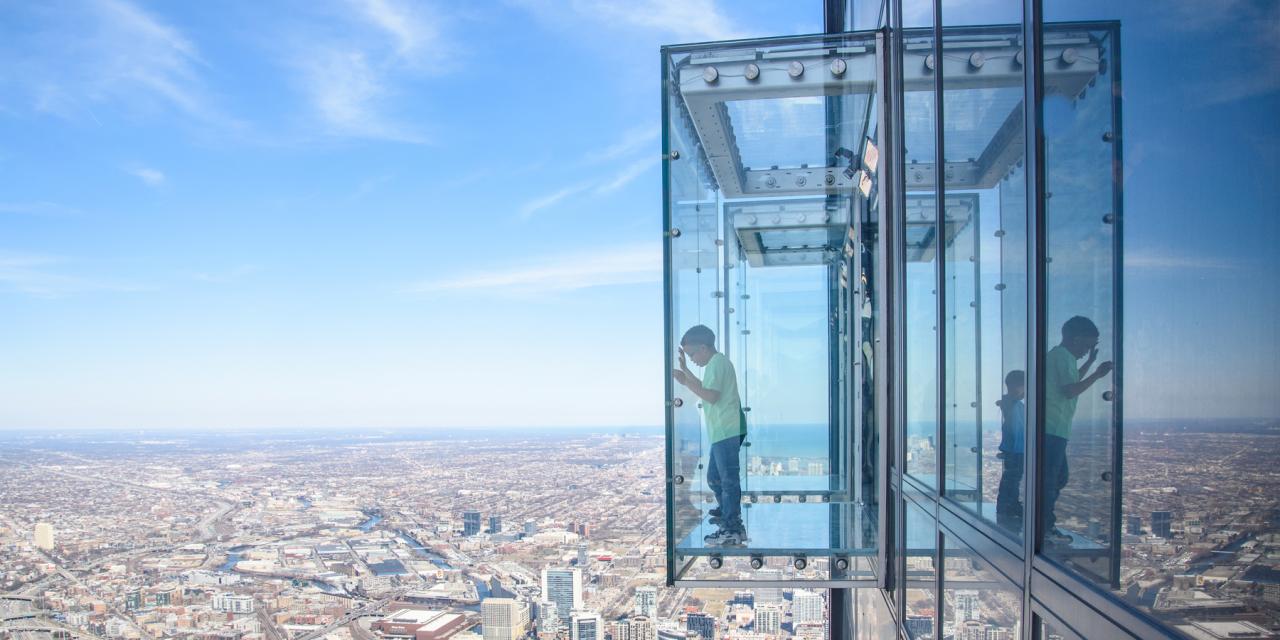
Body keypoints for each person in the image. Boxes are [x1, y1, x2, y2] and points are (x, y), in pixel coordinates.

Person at [672, 325, 747, 546]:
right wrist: (686, 372)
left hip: (727, 429)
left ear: (703, 348)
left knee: (727, 480)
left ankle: (732, 528)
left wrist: (686, 381)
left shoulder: (717, 364)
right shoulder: (717, 363)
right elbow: (706, 387)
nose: (693, 359)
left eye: (692, 354)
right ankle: (727, 511)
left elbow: (711, 396)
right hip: (724, 430)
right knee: (715, 477)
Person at [1042, 316, 1113, 546]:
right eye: (1086, 346)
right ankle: (1044, 528)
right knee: (1052, 479)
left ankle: (1044, 524)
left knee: (1057, 477)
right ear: (1076, 339)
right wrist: (1097, 375)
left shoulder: (1059, 357)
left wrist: (1091, 363)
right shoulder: (1062, 357)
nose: (1086, 351)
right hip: (1052, 429)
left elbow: (1071, 381)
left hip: (1053, 429)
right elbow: (1070, 390)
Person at [995, 370, 1026, 530]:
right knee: (1012, 479)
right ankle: (1009, 506)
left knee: (1011, 479)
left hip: (1015, 450)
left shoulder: (1011, 404)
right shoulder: (1014, 405)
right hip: (1017, 450)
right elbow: (1015, 429)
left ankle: (1008, 506)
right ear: (1016, 387)